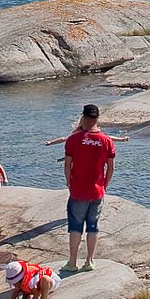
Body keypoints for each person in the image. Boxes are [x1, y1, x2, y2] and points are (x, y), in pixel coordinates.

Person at [62, 104, 115, 274]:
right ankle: (89, 261)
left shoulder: (74, 139)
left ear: (83, 117)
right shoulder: (106, 140)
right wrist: (105, 185)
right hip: (97, 191)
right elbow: (111, 167)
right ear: (97, 119)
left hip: (78, 190)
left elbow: (68, 163)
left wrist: (68, 182)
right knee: (93, 227)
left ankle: (72, 262)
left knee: (75, 227)